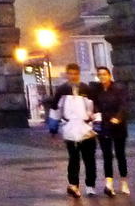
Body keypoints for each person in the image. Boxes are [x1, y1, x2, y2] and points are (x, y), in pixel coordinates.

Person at [49, 63, 99, 198]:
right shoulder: (61, 90)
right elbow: (55, 109)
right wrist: (53, 128)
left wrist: (97, 126)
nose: (73, 76)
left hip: (87, 129)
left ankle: (90, 186)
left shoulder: (87, 89)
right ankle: (73, 184)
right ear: (66, 74)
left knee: (89, 160)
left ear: (79, 74)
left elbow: (96, 108)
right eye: (70, 73)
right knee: (73, 159)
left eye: (75, 73)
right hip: (70, 129)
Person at [94, 66, 129, 197]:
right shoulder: (96, 91)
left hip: (118, 126)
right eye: (100, 75)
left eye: (104, 74)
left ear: (109, 75)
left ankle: (124, 181)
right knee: (107, 155)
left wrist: (118, 118)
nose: (102, 77)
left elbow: (123, 106)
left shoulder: (118, 89)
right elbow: (94, 104)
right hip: (104, 126)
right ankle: (108, 184)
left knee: (120, 155)